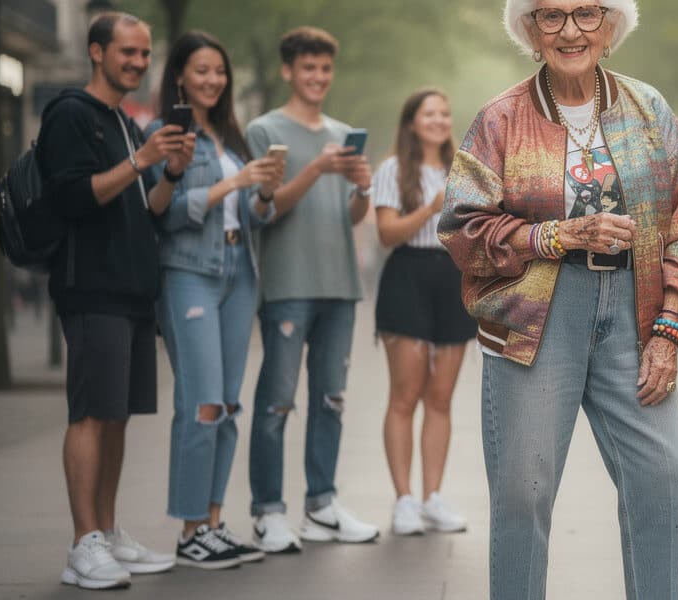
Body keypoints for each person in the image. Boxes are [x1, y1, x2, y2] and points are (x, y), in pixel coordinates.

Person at [440, 1, 678, 597]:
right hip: (537, 318)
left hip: (636, 315)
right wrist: (554, 235)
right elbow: (461, 229)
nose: (570, 30)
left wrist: (668, 329)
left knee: (662, 476)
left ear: (611, 26)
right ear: (529, 30)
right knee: (523, 496)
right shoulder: (500, 119)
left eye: (587, 13)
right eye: (551, 16)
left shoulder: (650, 110)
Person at [37, 11, 188, 589]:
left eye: (145, 54)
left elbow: (147, 206)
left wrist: (168, 173)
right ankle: (83, 544)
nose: (139, 62)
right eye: (128, 52)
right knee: (90, 414)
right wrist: (142, 161)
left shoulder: (124, 121)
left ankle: (108, 531)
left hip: (131, 290)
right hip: (90, 285)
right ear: (96, 52)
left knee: (118, 415)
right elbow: (74, 197)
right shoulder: (70, 114)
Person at [147, 30, 284, 569]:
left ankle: (212, 522)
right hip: (188, 274)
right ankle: (188, 533)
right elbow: (164, 211)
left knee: (227, 406)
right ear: (179, 75)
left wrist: (264, 189)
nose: (213, 80)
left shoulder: (229, 137)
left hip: (238, 274)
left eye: (219, 72)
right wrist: (234, 185)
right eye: (201, 70)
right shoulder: (164, 133)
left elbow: (256, 217)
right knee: (200, 404)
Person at [245, 26, 379, 553]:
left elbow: (352, 216)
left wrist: (363, 186)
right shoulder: (264, 130)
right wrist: (319, 167)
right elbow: (267, 208)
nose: (318, 77)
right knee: (277, 402)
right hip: (286, 283)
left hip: (338, 284)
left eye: (325, 69)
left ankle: (321, 505)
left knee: (331, 400)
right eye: (308, 68)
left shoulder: (343, 132)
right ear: (288, 71)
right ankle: (267, 511)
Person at [371, 88, 475, 536]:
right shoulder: (393, 169)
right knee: (404, 395)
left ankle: (433, 496)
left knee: (441, 397)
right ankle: (404, 500)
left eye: (444, 113)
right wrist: (430, 210)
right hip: (408, 275)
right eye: (429, 113)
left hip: (453, 279)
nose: (438, 120)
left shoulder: (465, 169)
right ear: (412, 122)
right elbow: (386, 233)